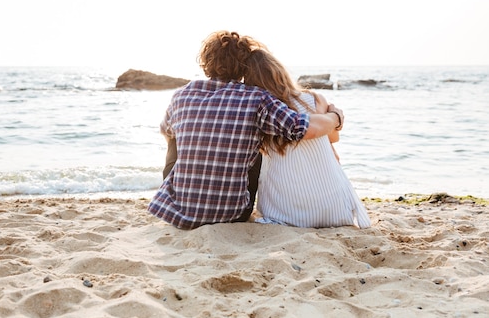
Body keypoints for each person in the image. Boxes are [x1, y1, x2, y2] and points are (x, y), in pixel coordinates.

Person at [147, 31, 345, 230]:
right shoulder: (257, 98)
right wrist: (335, 117)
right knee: (256, 144)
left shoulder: (182, 95)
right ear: (243, 64)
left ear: (206, 62)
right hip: (232, 214)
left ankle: (182, 191)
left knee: (172, 136)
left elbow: (166, 131)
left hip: (177, 212)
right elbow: (303, 128)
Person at [243, 50, 371, 228]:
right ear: (280, 72)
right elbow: (333, 138)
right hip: (334, 209)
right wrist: (335, 117)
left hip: (285, 212)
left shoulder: (261, 109)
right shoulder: (314, 98)